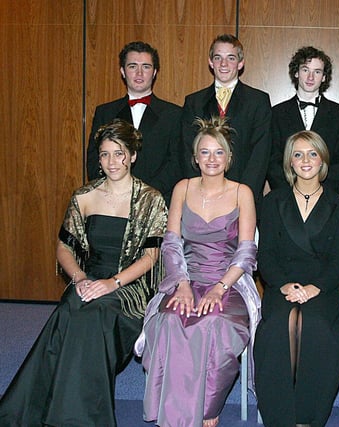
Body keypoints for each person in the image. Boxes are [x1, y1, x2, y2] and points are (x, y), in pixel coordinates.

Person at [0, 119, 167, 426]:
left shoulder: (151, 199)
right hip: (87, 279)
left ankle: (75, 418)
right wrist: (80, 278)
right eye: (104, 154)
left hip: (129, 287)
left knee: (92, 317)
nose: (112, 162)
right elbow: (64, 248)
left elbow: (150, 257)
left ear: (132, 155)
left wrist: (110, 283)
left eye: (119, 153)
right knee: (67, 312)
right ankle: (38, 412)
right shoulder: (84, 196)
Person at [140, 117, 261, 427]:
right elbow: (171, 242)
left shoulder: (242, 193)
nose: (211, 159)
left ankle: (208, 406)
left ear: (229, 158)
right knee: (169, 320)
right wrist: (180, 283)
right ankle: (176, 413)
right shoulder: (183, 188)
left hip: (230, 283)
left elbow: (247, 251)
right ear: (195, 158)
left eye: (218, 152)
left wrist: (220, 288)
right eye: (204, 152)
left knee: (213, 323)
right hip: (186, 278)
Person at [254, 131, 339, 426]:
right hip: (281, 286)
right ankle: (280, 418)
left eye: (312, 153)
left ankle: (307, 418)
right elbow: (265, 254)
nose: (305, 160)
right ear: (289, 162)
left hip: (322, 288)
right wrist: (283, 284)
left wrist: (314, 287)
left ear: (323, 159)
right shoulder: (272, 203)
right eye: (298, 154)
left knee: (315, 326)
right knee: (278, 327)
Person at [181, 34, 271, 214]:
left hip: (243, 199)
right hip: (202, 201)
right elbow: (187, 151)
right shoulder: (194, 102)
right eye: (218, 58)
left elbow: (260, 155)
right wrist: (200, 194)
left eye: (230, 58)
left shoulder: (258, 101)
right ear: (210, 62)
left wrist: (242, 197)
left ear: (240, 63)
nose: (223, 64)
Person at [87, 41, 183, 205]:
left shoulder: (174, 114)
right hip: (112, 203)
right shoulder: (105, 112)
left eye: (146, 67)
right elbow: (93, 159)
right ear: (123, 71)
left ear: (154, 72)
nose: (139, 73)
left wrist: (146, 193)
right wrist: (116, 191)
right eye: (132, 66)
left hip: (157, 203)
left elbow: (177, 163)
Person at [268, 46, 339, 194]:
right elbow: (272, 160)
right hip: (286, 197)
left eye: (317, 72)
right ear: (296, 73)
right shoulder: (276, 113)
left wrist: (323, 195)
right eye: (305, 70)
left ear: (324, 77)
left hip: (328, 198)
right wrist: (290, 194)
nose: (310, 77)